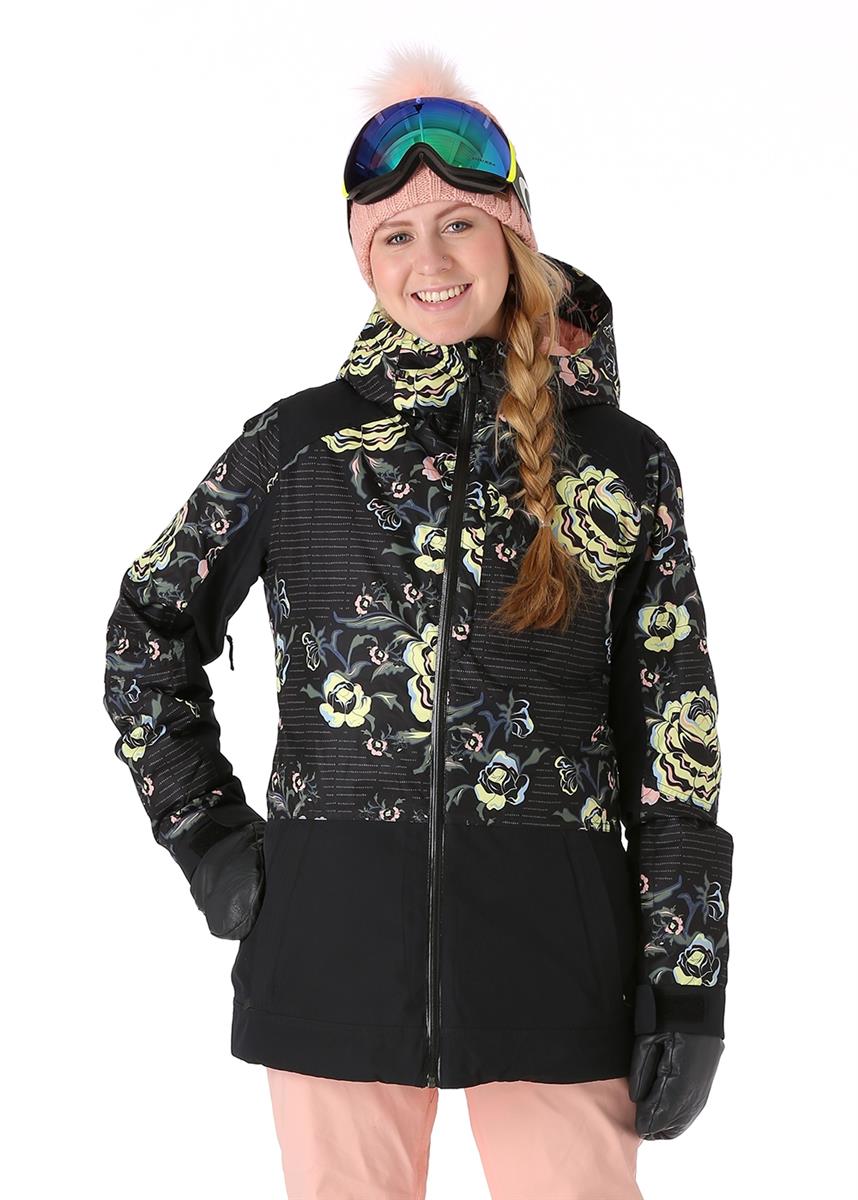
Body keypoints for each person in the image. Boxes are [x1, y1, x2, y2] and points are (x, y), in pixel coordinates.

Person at [103, 46, 733, 1200]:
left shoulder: (621, 464)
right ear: (364, 260)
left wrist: (688, 979)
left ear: (514, 235)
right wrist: (209, 839)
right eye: (394, 235)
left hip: (560, 952)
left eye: (459, 225)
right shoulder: (297, 449)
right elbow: (147, 632)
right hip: (333, 946)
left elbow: (674, 731)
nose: (429, 261)